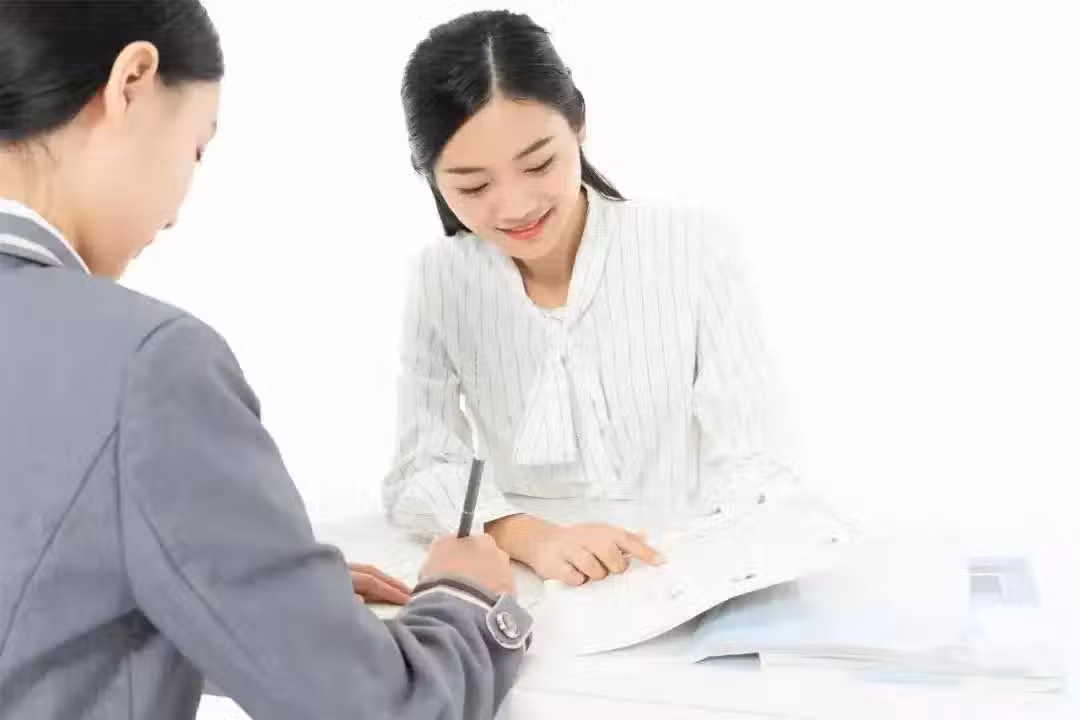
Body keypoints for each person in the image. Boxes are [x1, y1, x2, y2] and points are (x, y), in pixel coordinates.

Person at [0, 2, 530, 719]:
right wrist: (467, 600)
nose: (176, 212)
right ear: (132, 81)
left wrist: (244, 602)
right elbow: (377, 709)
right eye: (196, 148)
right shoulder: (144, 365)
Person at [385, 10, 803, 587]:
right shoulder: (440, 277)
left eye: (539, 164)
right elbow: (419, 469)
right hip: (532, 578)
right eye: (473, 186)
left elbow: (759, 455)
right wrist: (532, 537)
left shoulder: (693, 246)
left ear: (578, 123)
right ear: (430, 175)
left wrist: (706, 556)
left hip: (687, 573)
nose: (515, 207)